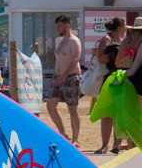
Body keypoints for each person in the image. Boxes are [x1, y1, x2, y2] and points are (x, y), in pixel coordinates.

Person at [45, 14, 84, 144]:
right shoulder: (61, 41)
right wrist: (56, 75)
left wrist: (64, 75)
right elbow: (60, 61)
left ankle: (76, 138)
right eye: (57, 27)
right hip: (59, 78)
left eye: (60, 26)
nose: (58, 29)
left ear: (67, 26)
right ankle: (62, 132)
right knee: (50, 105)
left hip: (71, 77)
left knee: (72, 108)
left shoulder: (74, 41)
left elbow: (75, 60)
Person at [91, 19, 128, 153]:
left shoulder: (124, 40)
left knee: (119, 112)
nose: (126, 27)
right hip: (109, 77)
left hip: (122, 77)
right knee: (107, 113)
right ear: (119, 27)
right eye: (124, 25)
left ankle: (116, 144)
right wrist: (113, 56)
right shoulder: (107, 39)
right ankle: (104, 145)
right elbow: (99, 57)